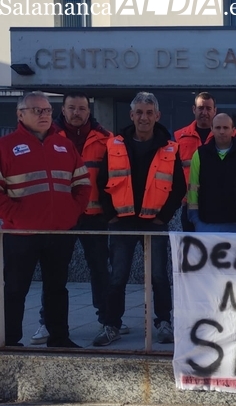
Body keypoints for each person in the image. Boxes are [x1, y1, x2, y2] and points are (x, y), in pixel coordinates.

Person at [29, 92, 128, 346]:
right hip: (61, 216)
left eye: (82, 108)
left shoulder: (105, 138)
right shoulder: (47, 137)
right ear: (62, 110)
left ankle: (108, 321)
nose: (77, 112)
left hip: (95, 216)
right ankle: (47, 323)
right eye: (71, 108)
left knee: (100, 269)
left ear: (89, 110)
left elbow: (114, 176)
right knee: (54, 272)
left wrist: (111, 211)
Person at [94, 92, 186, 346]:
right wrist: (111, 216)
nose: (144, 117)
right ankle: (111, 325)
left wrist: (163, 217)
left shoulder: (170, 147)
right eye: (139, 113)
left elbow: (179, 186)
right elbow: (102, 182)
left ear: (157, 116)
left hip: (154, 222)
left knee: (159, 276)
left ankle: (164, 322)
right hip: (122, 222)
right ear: (131, 115)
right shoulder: (115, 145)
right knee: (117, 276)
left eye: (149, 113)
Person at [1, 91, 91, 347]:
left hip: (59, 232)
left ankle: (59, 338)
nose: (44, 115)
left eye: (47, 110)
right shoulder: (5, 146)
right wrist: (17, 217)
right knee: (15, 288)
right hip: (21, 234)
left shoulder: (64, 145)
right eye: (37, 110)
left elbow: (82, 183)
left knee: (57, 288)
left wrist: (71, 213)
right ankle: (9, 341)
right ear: (20, 114)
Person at [187, 113, 236, 232]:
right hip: (207, 224)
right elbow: (193, 188)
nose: (222, 131)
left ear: (233, 130)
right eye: (218, 127)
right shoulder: (200, 154)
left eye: (226, 128)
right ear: (212, 129)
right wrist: (195, 219)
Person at [174, 92, 217, 232]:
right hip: (187, 204)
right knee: (189, 244)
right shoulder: (180, 137)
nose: (204, 112)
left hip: (216, 202)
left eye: (208, 108)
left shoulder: (226, 136)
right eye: (200, 108)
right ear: (194, 109)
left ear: (215, 110)